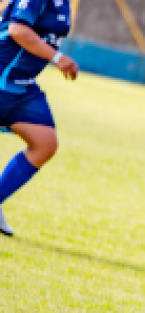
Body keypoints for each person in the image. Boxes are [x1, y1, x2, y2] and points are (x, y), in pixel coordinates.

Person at [0, 0, 78, 237]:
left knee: (45, 144)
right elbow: (17, 30)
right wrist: (57, 58)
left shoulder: (64, 3)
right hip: (2, 76)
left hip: (22, 85)